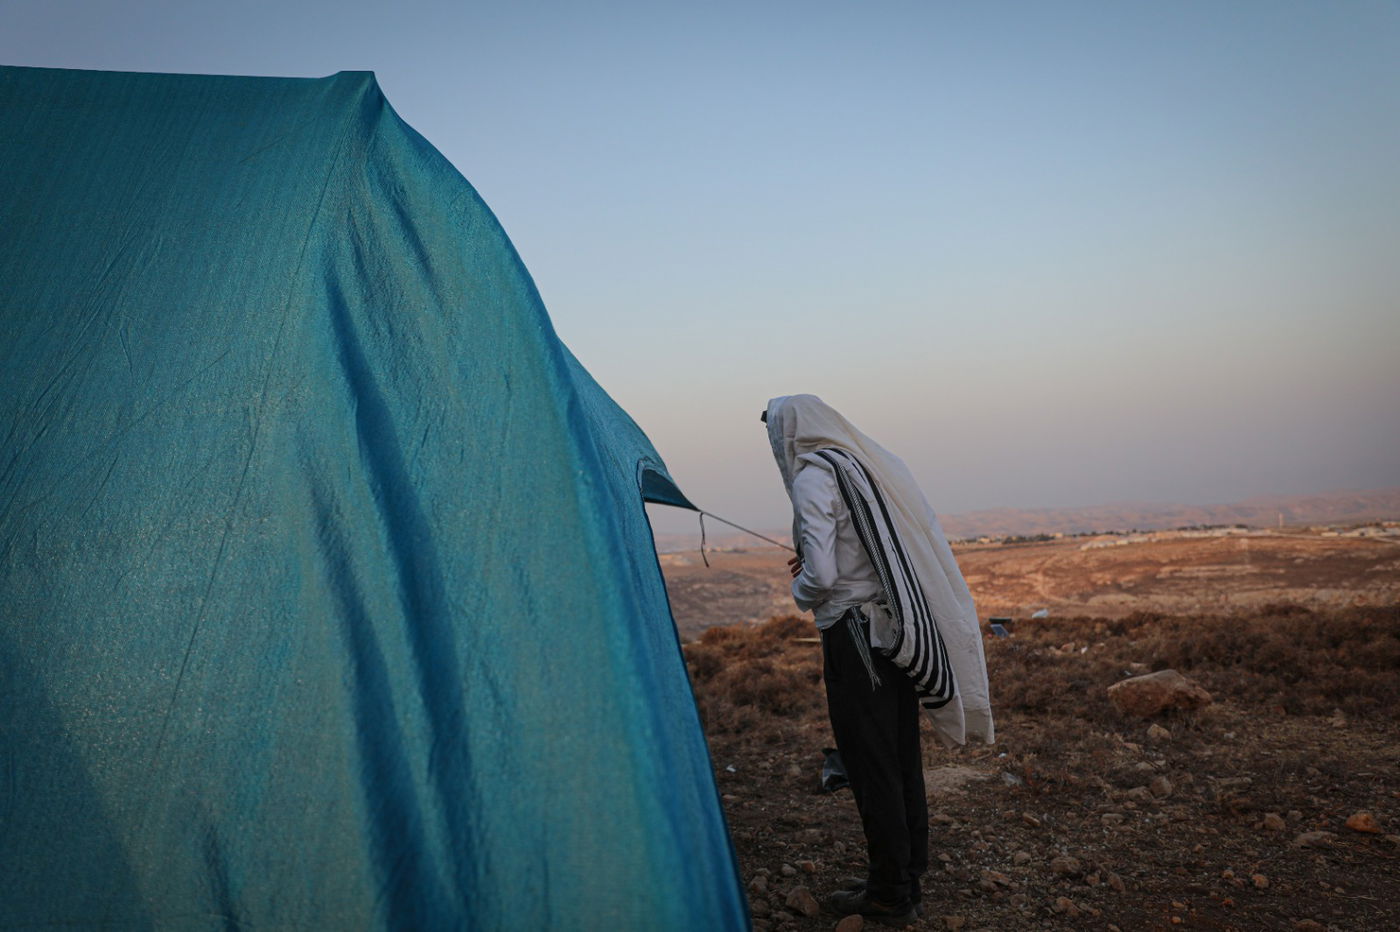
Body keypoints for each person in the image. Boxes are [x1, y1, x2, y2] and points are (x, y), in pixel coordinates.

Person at [763, 395, 993, 926]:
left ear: (788, 431)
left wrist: (801, 588)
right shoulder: (856, 468)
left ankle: (889, 894)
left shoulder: (812, 478)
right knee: (901, 755)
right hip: (894, 630)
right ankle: (906, 872)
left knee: (871, 765)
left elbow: (821, 576)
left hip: (853, 635)